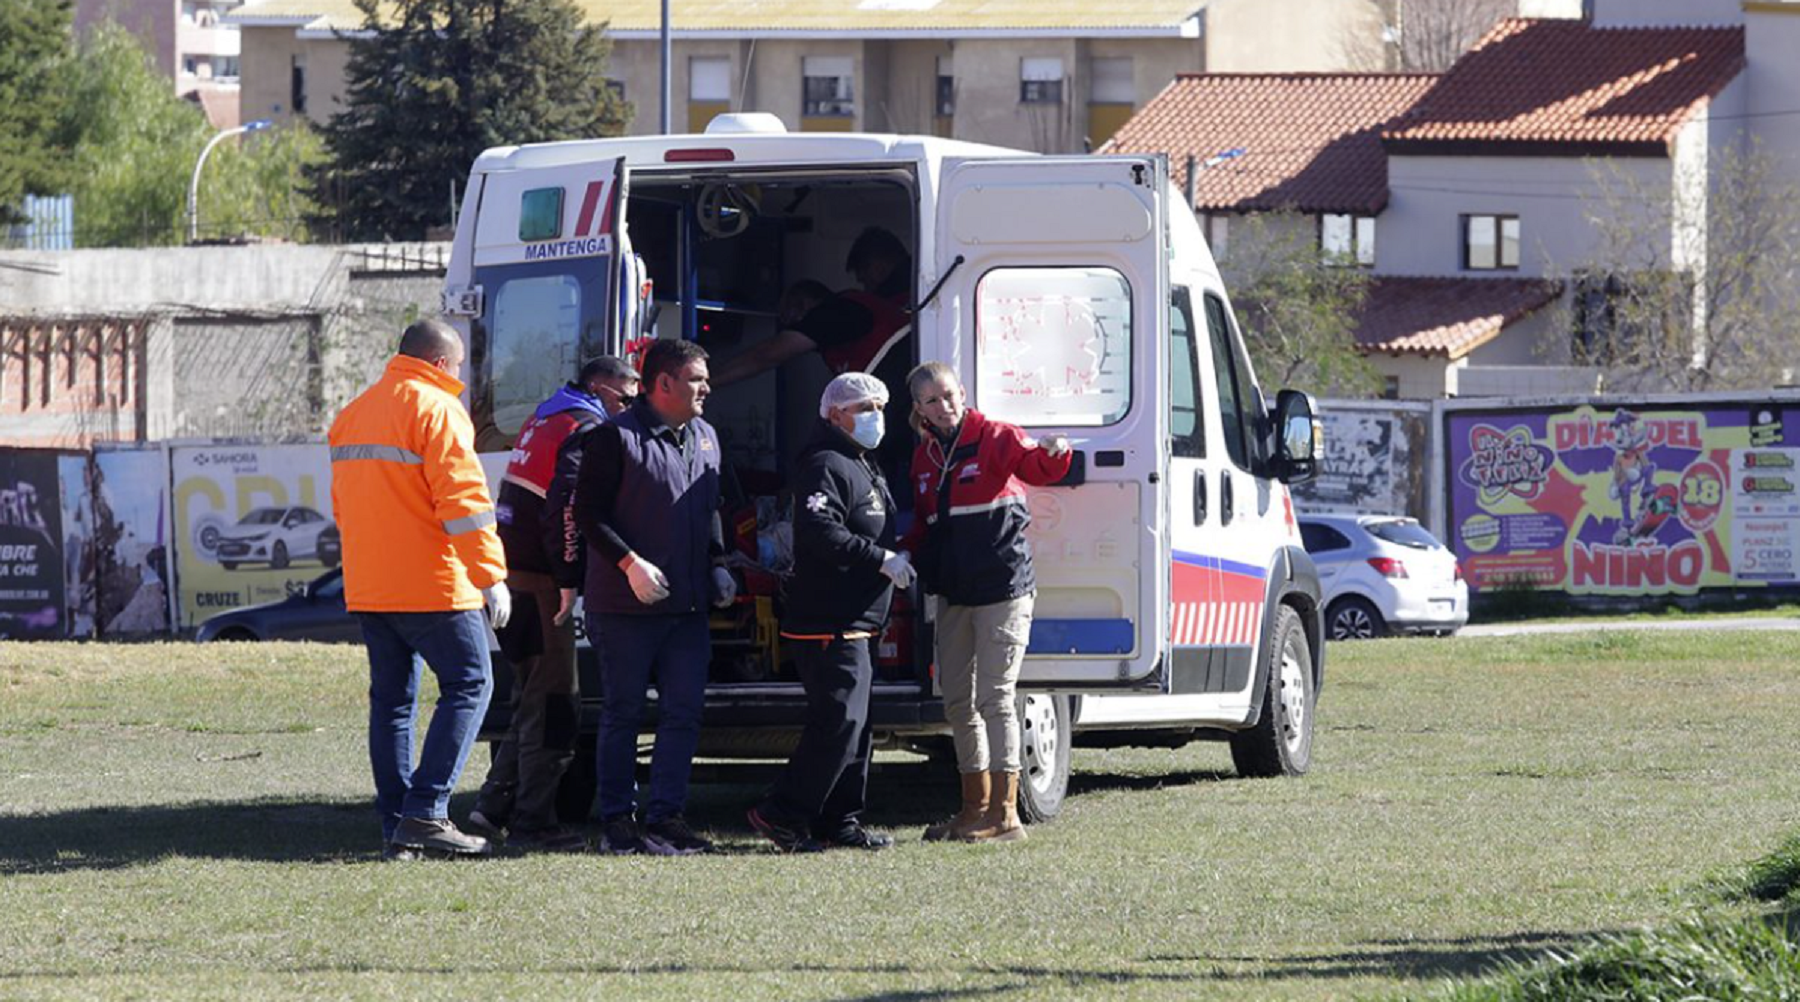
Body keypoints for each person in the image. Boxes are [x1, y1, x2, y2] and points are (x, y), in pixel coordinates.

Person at [328, 318, 511, 860]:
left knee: (392, 706)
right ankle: (427, 812)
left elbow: (344, 508)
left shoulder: (353, 412)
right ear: (439, 364)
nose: (458, 378)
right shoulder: (438, 409)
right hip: (434, 584)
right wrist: (490, 575)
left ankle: (397, 826)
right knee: (471, 683)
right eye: (455, 368)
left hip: (370, 586)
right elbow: (465, 503)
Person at [469, 356, 639, 853]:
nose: (627, 410)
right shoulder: (583, 427)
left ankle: (492, 807)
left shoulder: (545, 416)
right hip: (540, 584)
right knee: (554, 705)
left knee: (529, 699)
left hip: (514, 575)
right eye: (625, 399)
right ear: (599, 389)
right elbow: (565, 507)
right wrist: (569, 578)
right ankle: (534, 822)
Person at [573, 338, 734, 856]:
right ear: (663, 383)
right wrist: (630, 564)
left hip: (687, 607)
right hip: (624, 607)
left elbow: (709, 506)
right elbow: (588, 515)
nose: (706, 388)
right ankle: (618, 822)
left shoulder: (706, 435)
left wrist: (719, 564)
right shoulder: (612, 437)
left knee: (683, 714)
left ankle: (667, 819)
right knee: (623, 713)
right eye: (696, 379)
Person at [901, 361, 1071, 844]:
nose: (946, 405)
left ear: (963, 393)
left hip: (1004, 589)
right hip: (955, 592)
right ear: (919, 409)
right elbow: (923, 527)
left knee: (995, 698)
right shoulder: (924, 457)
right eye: (933, 400)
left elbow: (1038, 467)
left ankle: (1005, 815)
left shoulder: (995, 436)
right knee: (957, 700)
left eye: (951, 394)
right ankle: (972, 809)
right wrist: (898, 555)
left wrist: (1057, 454)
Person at [746, 372, 914, 853]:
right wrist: (879, 558)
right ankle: (780, 813)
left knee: (856, 729)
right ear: (833, 414)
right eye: (864, 408)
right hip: (828, 620)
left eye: (880, 406)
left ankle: (839, 821)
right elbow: (819, 530)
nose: (875, 416)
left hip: (858, 620)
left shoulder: (862, 462)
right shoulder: (825, 463)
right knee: (836, 725)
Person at [709, 228, 916, 488]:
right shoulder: (857, 321)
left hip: (904, 426)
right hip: (902, 431)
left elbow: (765, 356)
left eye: (793, 317)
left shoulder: (836, 312)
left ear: (804, 305)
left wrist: (707, 382)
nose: (793, 325)